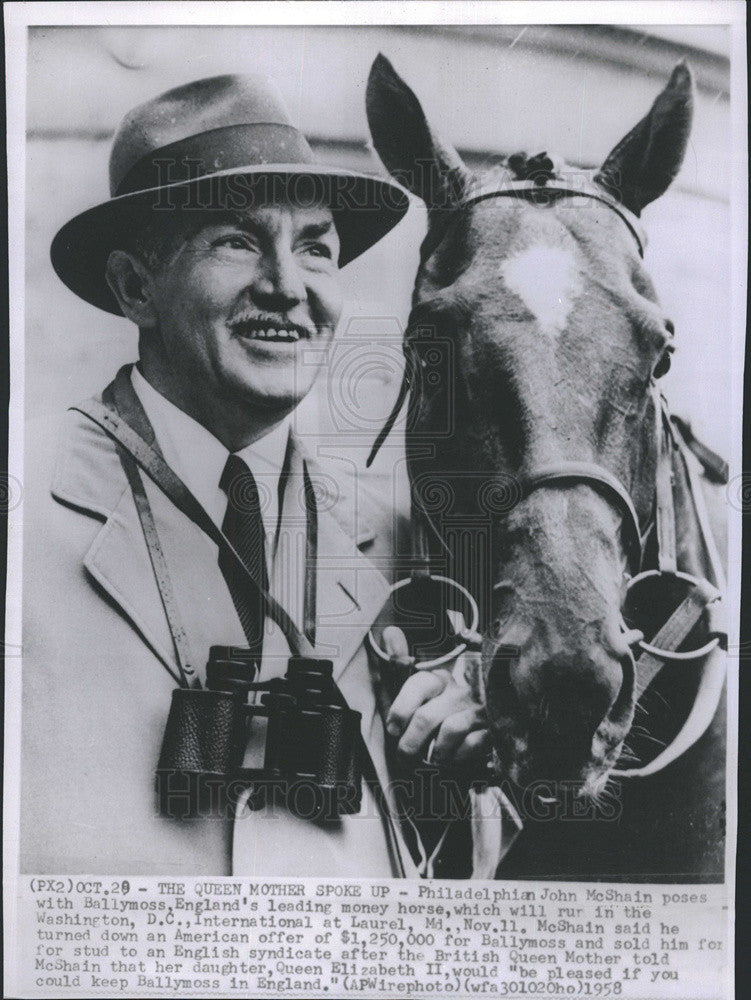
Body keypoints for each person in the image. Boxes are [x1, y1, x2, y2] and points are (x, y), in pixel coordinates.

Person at [20, 73, 491, 877]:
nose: (287, 286)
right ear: (137, 288)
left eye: (316, 247)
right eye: (236, 241)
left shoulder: (398, 544)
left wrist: (458, 762)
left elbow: (448, 863)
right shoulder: (25, 513)